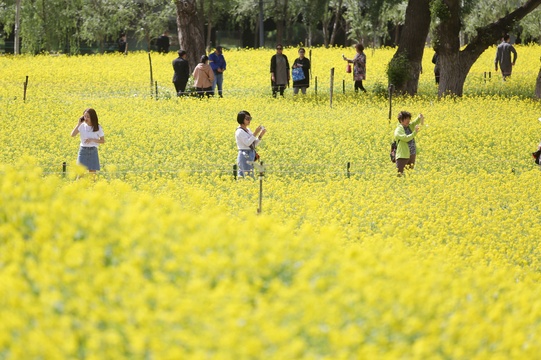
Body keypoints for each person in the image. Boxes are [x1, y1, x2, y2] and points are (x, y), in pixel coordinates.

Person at [71, 108, 105, 173]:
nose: (86, 118)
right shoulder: (82, 126)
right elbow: (72, 135)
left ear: (92, 117)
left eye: (88, 117)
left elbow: (102, 141)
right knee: (80, 174)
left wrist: (92, 140)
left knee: (92, 174)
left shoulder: (98, 127)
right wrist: (79, 124)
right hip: (83, 151)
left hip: (93, 151)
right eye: (84, 116)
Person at [235, 111, 266, 178]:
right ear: (241, 119)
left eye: (250, 118)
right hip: (244, 154)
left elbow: (253, 144)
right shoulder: (239, 131)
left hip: (251, 153)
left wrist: (260, 135)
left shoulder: (248, 129)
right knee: (247, 175)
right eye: (247, 118)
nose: (249, 120)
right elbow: (247, 143)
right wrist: (255, 133)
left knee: (247, 175)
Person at [394, 111, 424, 175]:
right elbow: (405, 138)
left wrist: (419, 117)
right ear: (401, 120)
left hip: (412, 153)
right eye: (406, 119)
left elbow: (415, 122)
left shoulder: (409, 126)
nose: (408, 120)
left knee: (409, 174)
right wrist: (414, 132)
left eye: (409, 119)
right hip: (403, 154)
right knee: (400, 174)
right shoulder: (398, 130)